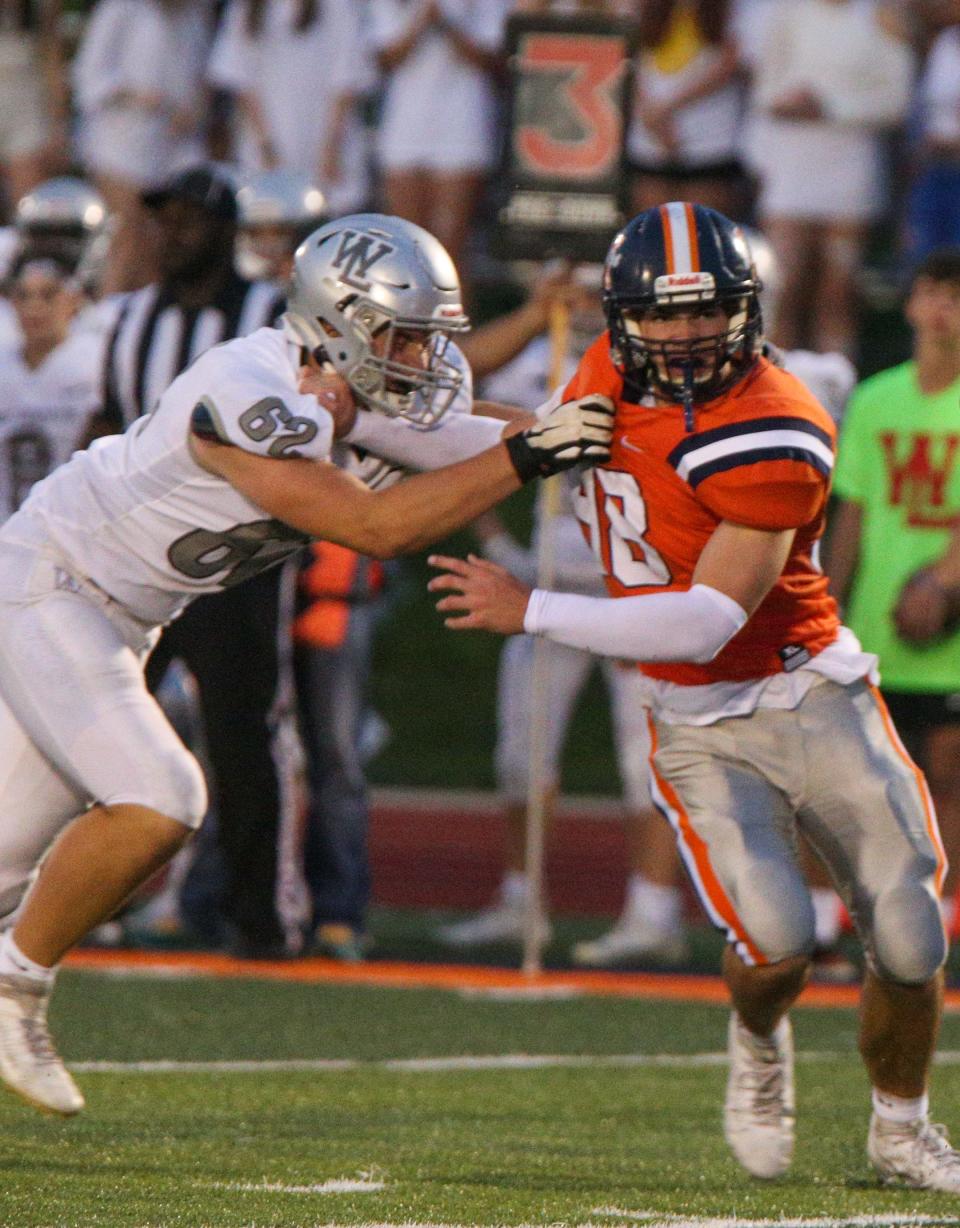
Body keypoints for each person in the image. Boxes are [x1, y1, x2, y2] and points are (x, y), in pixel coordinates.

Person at [0, 210, 614, 1117]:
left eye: (427, 335)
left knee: (8, 864)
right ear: (339, 321)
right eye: (403, 333)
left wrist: (622, 443)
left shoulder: (360, 396)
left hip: (119, 620)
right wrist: (538, 448)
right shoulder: (249, 386)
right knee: (164, 797)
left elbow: (504, 440)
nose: (421, 355)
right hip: (49, 583)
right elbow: (378, 525)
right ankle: (15, 994)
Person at [428, 202, 959, 1191]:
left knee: (908, 926)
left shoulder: (778, 421)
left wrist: (531, 605)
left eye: (707, 311)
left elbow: (705, 618)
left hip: (804, 683)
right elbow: (498, 432)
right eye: (663, 316)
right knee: (778, 943)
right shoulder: (602, 373)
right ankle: (759, 1044)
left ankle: (900, 1128)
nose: (683, 335)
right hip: (696, 717)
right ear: (623, 316)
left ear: (747, 309)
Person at [827, 246, 960, 939]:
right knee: (858, 778)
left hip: (948, 632)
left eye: (956, 298)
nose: (942, 309)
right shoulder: (878, 399)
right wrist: (828, 607)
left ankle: (935, 911)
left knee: (946, 776)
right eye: (933, 292)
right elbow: (852, 510)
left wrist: (941, 581)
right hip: (878, 619)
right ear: (910, 303)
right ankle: (834, 914)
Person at [744, 0, 914, 355]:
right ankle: (777, 387)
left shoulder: (883, 16)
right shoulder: (786, 14)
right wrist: (786, 107)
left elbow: (896, 100)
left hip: (850, 172)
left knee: (838, 292)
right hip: (791, 171)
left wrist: (831, 107)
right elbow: (765, 90)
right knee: (781, 290)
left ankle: (836, 393)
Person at [71, 0, 214, 291]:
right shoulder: (119, 10)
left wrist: (194, 110)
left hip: (173, 151)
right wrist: (144, 98)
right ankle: (106, 319)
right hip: (119, 145)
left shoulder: (195, 16)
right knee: (125, 238)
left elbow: (200, 77)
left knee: (159, 246)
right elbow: (88, 78)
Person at [369, 0, 510, 287]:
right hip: (405, 125)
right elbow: (386, 58)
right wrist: (422, 19)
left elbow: (492, 59)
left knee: (450, 251)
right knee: (405, 246)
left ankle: (453, 329)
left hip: (461, 122)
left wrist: (446, 22)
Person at [207, 0, 371, 217]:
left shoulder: (338, 6)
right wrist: (267, 147)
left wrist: (331, 147)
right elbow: (241, 80)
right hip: (266, 151)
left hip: (326, 146)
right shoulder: (246, 7)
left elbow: (346, 76)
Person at [0, 254, 103, 516]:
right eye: (23, 296)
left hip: (76, 517)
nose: (34, 307)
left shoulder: (96, 362)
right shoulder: (4, 365)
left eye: (48, 295)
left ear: (74, 299)